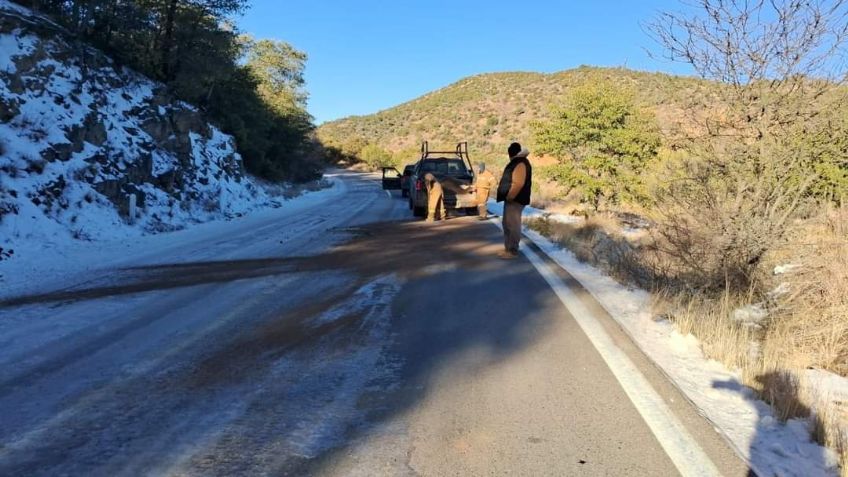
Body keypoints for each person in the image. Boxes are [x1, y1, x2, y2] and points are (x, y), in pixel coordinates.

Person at [496, 142, 532, 259]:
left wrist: (510, 196)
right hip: (512, 199)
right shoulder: (517, 162)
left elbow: (518, 183)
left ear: (512, 153)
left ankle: (512, 251)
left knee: (513, 225)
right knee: (507, 224)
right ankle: (508, 248)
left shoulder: (520, 163)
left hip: (515, 200)